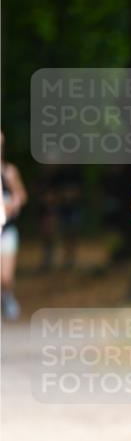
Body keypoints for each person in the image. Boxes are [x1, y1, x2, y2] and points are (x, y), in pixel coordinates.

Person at [1, 132, 28, 321]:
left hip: (7, 230)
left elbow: (21, 195)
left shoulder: (9, 172)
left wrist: (12, 204)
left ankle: (7, 296)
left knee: (6, 277)